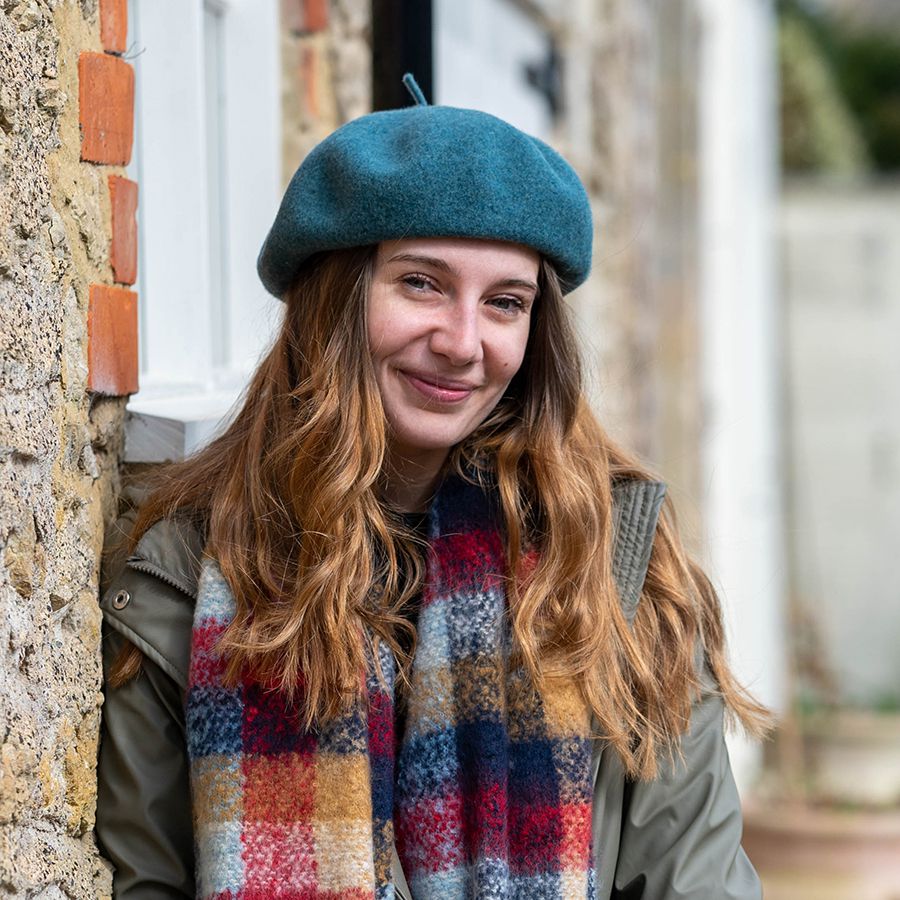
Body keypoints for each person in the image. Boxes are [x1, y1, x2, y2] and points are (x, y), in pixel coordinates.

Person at [97, 75, 769, 899]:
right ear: (335, 300)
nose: (462, 342)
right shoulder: (189, 568)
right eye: (421, 283)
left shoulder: (613, 569)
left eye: (505, 303)